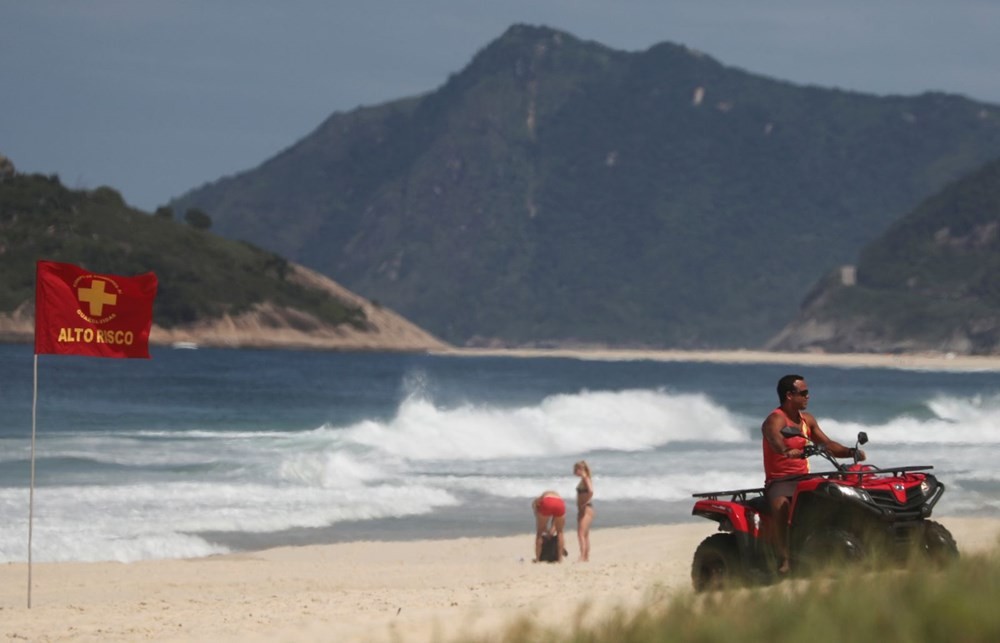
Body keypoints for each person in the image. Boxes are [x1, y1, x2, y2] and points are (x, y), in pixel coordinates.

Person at [762, 374, 866, 575]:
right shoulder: (775, 419)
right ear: (789, 396)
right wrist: (785, 450)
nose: (808, 396)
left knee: (835, 494)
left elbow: (827, 445)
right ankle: (785, 558)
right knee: (781, 505)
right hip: (780, 481)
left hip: (803, 478)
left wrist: (850, 452)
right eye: (804, 393)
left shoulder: (807, 421)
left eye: (807, 392)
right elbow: (773, 438)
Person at [531, 490, 566, 563]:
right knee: (560, 532)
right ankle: (560, 559)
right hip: (560, 503)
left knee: (539, 533)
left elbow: (538, 515)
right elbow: (556, 521)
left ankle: (537, 559)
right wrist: (550, 531)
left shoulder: (538, 501)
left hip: (547, 502)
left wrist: (546, 530)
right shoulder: (557, 495)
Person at [573, 460, 594, 562]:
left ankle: (582, 556)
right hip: (585, 508)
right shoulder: (584, 479)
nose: (575, 472)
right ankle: (585, 557)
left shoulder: (586, 478)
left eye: (577, 469)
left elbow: (590, 491)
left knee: (581, 533)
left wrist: (585, 502)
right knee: (585, 534)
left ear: (581, 469)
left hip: (586, 508)